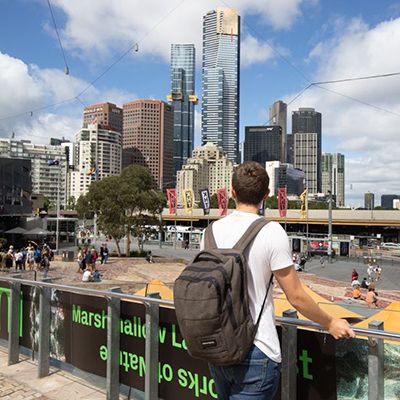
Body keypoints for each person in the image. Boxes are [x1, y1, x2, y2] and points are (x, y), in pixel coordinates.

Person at [201, 161, 355, 399]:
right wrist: (330, 322)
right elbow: (296, 296)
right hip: (257, 350)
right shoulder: (271, 232)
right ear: (266, 195)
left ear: (232, 192)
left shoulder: (209, 232)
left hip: (218, 348)